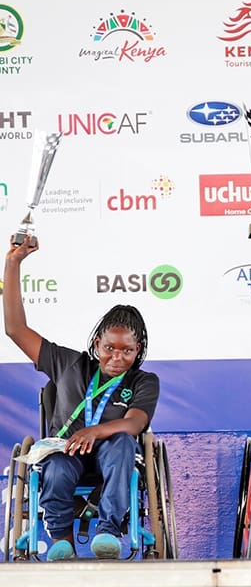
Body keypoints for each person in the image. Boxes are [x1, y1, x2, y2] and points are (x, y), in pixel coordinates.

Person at [3, 236, 158, 561]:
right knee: (56, 468)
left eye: (127, 350)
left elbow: (135, 423)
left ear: (138, 350)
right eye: (109, 348)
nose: (117, 357)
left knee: (124, 442)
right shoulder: (68, 363)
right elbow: (16, 329)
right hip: (66, 451)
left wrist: (95, 431)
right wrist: (13, 263)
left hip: (112, 455)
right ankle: (62, 541)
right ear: (97, 343)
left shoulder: (143, 381)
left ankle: (108, 532)